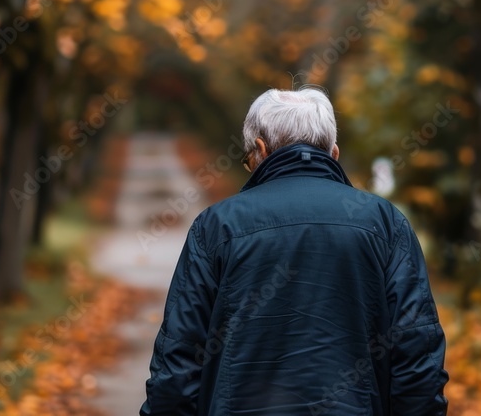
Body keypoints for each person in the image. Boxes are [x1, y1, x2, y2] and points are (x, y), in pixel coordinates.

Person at [140, 87, 448, 415]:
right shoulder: (385, 225)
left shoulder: (216, 227)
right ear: (334, 153)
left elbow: (179, 364)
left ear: (259, 150)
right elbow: (417, 361)